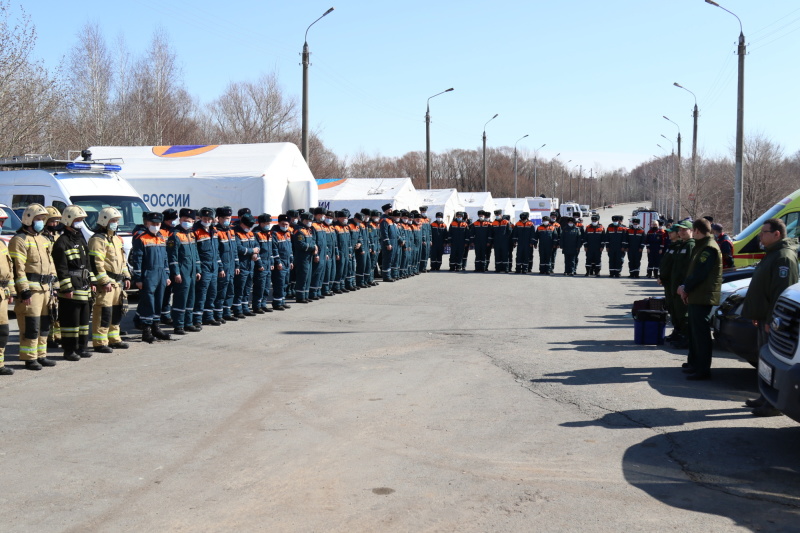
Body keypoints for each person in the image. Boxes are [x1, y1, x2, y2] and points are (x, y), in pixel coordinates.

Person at [741, 218, 799, 416]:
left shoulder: (783, 257)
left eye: (764, 232)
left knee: (772, 363)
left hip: (773, 322)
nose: (761, 235)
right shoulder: (772, 254)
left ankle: (772, 405)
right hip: (765, 318)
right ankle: (764, 397)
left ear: (777, 234)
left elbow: (781, 293)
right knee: (764, 362)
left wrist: (773, 321)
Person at [9, 204, 58, 369]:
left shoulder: (44, 239)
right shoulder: (19, 240)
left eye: (43, 219)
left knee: (45, 324)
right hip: (31, 290)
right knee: (31, 325)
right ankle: (29, 357)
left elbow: (51, 264)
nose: (41, 222)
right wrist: (24, 290)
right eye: (38, 219)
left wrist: (54, 285)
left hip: (45, 289)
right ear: (28, 219)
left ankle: (41, 355)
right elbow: (18, 268)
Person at [677, 218, 722, 380]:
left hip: (703, 297)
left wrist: (685, 288)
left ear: (696, 231)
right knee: (694, 333)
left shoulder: (708, 248)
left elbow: (700, 274)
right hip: (697, 295)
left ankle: (702, 369)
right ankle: (695, 364)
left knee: (701, 335)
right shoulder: (702, 246)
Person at [51, 205, 93, 361]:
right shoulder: (62, 242)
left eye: (81, 220)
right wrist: (67, 287)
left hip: (83, 285)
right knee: (71, 322)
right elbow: (61, 267)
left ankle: (82, 347)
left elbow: (88, 262)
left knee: (83, 321)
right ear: (68, 220)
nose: (80, 223)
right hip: (71, 289)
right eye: (78, 220)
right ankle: (69, 350)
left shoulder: (81, 238)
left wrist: (91, 281)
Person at [88, 206, 131, 352]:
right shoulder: (97, 240)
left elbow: (122, 260)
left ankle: (114, 339)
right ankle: (100, 343)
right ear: (104, 221)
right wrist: (104, 281)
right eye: (113, 220)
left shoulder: (116, 240)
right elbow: (96, 263)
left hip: (118, 283)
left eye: (117, 221)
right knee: (103, 313)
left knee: (116, 312)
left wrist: (126, 276)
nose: (115, 223)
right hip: (107, 284)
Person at [130, 211, 172, 343]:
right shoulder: (141, 238)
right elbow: (137, 260)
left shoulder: (161, 237)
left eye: (158, 223)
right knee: (148, 303)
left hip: (160, 275)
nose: (155, 225)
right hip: (148, 275)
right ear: (147, 223)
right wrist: (138, 278)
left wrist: (166, 275)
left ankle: (156, 327)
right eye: (153, 223)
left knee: (158, 302)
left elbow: (165, 258)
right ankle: (146, 331)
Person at [167, 208, 201, 334]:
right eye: (184, 220)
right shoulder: (175, 234)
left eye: (190, 220)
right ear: (180, 220)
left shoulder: (191, 234)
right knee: (181, 298)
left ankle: (188, 323)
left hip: (192, 272)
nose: (187, 222)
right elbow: (172, 256)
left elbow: (195, 254)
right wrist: (176, 272)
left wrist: (198, 270)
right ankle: (178, 325)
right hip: (182, 272)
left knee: (191, 298)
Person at [193, 207, 223, 325]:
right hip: (203, 267)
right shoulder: (195, 231)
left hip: (214, 267)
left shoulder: (214, 231)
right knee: (201, 294)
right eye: (204, 218)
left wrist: (220, 268)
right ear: (200, 218)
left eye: (209, 218)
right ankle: (197, 319)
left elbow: (216, 252)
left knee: (212, 293)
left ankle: (208, 316)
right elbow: (195, 253)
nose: (207, 220)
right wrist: (198, 270)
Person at [669, 221, 695, 349]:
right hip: (676, 286)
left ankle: (686, 338)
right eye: (680, 230)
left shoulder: (690, 246)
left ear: (691, 231)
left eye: (685, 230)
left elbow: (689, 269)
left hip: (682, 287)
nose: (681, 232)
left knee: (684, 314)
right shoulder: (682, 245)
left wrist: (685, 286)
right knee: (678, 313)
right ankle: (681, 335)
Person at [214, 206, 238, 322]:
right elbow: (216, 252)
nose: (227, 220)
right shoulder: (216, 231)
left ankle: (227, 312)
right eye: (224, 218)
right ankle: (218, 314)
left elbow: (234, 250)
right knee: (221, 291)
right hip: (223, 266)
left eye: (229, 218)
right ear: (218, 218)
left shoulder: (231, 230)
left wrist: (236, 265)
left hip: (231, 266)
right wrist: (220, 268)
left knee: (230, 290)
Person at [0, 208, 15, 375]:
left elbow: (8, 270)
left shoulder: (2, 244)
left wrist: (10, 291)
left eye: (2, 223)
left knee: (3, 331)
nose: (1, 226)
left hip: (2, 294)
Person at [252, 213, 274, 312]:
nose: (268, 225)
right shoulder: (256, 233)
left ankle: (263, 304)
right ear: (260, 223)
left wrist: (272, 262)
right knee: (259, 286)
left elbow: (271, 250)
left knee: (266, 286)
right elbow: (257, 251)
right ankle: (257, 306)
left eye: (269, 223)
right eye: (266, 223)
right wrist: (259, 264)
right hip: (261, 265)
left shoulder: (268, 233)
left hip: (268, 263)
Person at [292, 212, 317, 303]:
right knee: (302, 276)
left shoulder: (309, 230)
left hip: (308, 256)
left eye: (310, 220)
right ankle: (300, 296)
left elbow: (313, 241)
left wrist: (314, 248)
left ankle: (305, 295)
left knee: (308, 276)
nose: (309, 222)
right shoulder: (299, 230)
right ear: (303, 220)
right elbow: (300, 244)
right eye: (308, 220)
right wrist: (312, 247)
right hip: (301, 257)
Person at [270, 214, 293, 310]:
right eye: (283, 224)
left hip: (287, 262)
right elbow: (274, 249)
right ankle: (277, 303)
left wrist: (291, 260)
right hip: (280, 262)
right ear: (279, 223)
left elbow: (290, 248)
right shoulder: (275, 234)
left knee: (285, 282)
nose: (285, 226)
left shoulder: (287, 233)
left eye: (287, 224)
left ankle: (282, 300)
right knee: (279, 283)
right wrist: (278, 262)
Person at [379, 203, 398, 282]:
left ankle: (390, 274)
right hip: (389, 242)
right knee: (387, 259)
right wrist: (387, 243)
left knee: (392, 259)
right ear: (386, 211)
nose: (391, 211)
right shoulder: (384, 220)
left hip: (394, 241)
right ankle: (386, 276)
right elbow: (384, 233)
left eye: (391, 209)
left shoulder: (391, 219)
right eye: (390, 210)